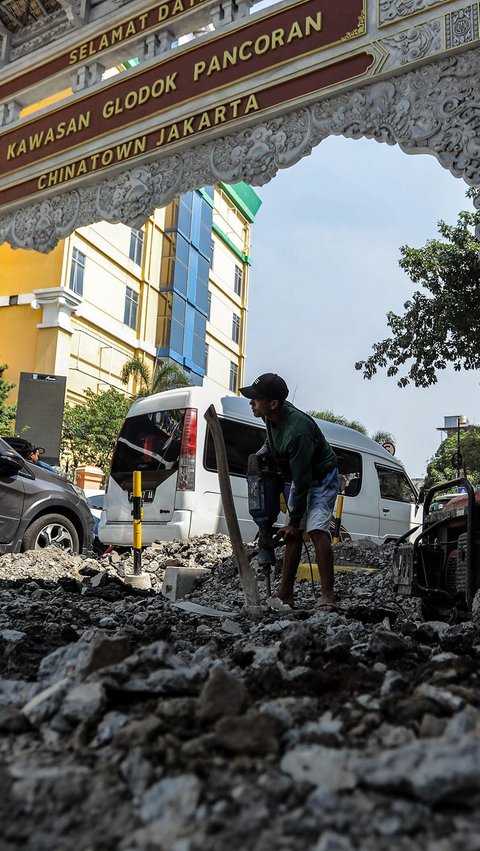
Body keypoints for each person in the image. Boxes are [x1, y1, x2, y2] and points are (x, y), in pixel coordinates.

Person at [240, 372, 339, 610]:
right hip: (300, 476)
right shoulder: (270, 415)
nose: (251, 402)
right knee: (291, 535)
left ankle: (327, 596)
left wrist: (295, 521)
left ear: (273, 403)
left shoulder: (299, 432)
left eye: (256, 398)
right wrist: (263, 451)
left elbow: (303, 481)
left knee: (315, 531)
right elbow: (271, 438)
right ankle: (285, 595)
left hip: (322, 477)